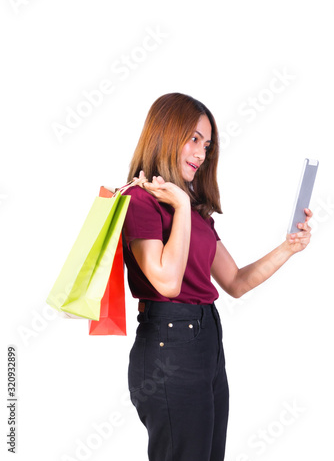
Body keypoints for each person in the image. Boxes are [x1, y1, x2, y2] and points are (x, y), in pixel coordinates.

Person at [120, 92, 312, 461]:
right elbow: (167, 282)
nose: (201, 153)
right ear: (165, 133)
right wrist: (178, 205)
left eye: (207, 145)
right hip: (168, 346)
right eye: (193, 139)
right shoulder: (139, 201)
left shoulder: (193, 212)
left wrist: (288, 247)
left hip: (207, 341)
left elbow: (236, 282)